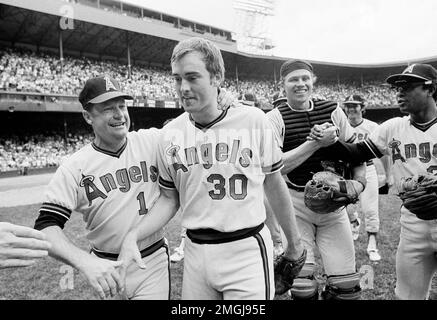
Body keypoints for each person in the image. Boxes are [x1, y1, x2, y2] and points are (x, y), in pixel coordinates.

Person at [118, 37, 305, 300]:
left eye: (192, 77)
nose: (183, 87)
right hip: (195, 252)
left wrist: (294, 243)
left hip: (246, 248)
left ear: (216, 77)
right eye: (177, 78)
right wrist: (133, 235)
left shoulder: (253, 121)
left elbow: (273, 184)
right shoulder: (169, 134)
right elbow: (169, 200)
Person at [34, 76, 170, 300]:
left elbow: (191, 125)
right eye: (108, 109)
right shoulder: (74, 168)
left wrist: (221, 99)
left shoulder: (152, 141)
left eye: (122, 106)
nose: (119, 114)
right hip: (104, 267)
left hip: (151, 259)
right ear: (88, 116)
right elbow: (46, 226)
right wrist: (85, 262)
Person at [312, 63, 437, 300]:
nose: (399, 93)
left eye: (408, 87)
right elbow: (356, 153)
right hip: (412, 224)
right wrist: (329, 140)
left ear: (430, 89)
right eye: (397, 88)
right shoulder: (393, 127)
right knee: (408, 296)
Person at [266, 59, 366, 300]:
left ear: (313, 81)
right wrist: (314, 143)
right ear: (283, 84)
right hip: (295, 205)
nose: (300, 84)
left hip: (333, 205)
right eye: (293, 79)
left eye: (304, 78)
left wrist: (359, 183)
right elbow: (275, 168)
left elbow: (358, 155)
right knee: (302, 288)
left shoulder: (332, 110)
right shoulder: (274, 118)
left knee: (346, 289)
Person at [342, 94, 383, 262]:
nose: (352, 108)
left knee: (370, 209)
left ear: (362, 107)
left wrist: (387, 173)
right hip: (346, 171)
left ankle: (372, 244)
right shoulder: (341, 125)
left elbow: (384, 150)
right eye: (348, 105)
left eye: (355, 105)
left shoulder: (372, 127)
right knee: (346, 207)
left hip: (368, 169)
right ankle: (354, 222)